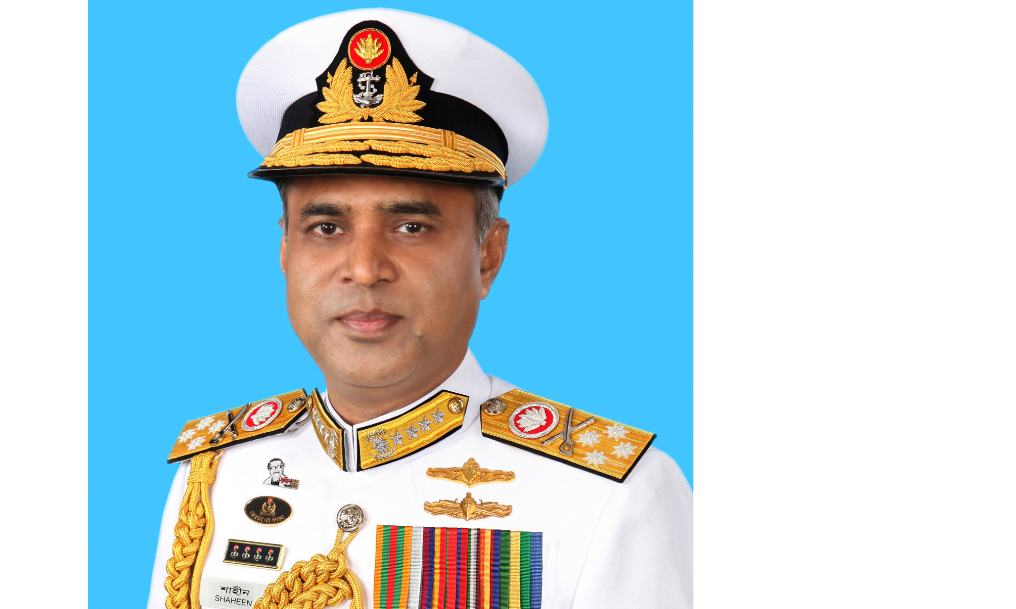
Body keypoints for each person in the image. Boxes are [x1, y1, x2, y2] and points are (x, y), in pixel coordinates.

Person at [149, 9, 691, 609]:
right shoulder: (219, 473)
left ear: (487, 255)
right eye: (326, 227)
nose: (364, 268)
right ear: (284, 250)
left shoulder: (609, 496)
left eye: (411, 226)